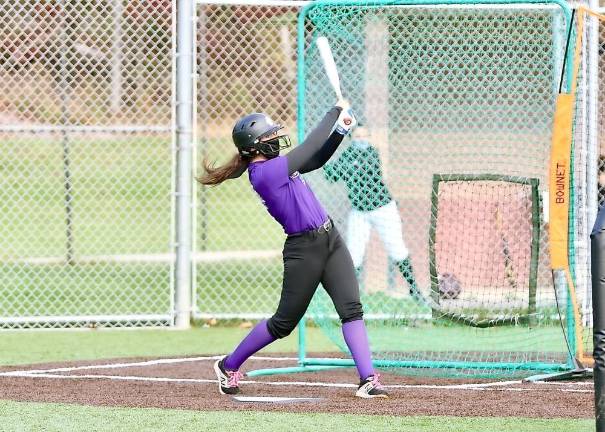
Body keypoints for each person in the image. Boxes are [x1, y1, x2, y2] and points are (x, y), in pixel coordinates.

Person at [198, 100, 388, 399]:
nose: (276, 139)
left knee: (351, 309)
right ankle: (228, 364)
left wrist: (339, 131)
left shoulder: (276, 166)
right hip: (304, 250)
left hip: (330, 239)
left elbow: (317, 159)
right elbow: (310, 146)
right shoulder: (263, 174)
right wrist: (334, 112)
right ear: (254, 147)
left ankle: (368, 379)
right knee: (283, 323)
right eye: (269, 137)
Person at [323, 125, 422, 302]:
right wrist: (325, 160)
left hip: (383, 208)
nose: (361, 139)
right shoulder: (348, 155)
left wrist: (342, 167)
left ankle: (414, 291)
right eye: (357, 136)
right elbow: (331, 176)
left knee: (397, 250)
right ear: (351, 139)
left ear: (369, 137)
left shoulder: (372, 152)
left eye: (364, 136)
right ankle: (352, 297)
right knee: (353, 256)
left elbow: (364, 171)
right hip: (359, 212)